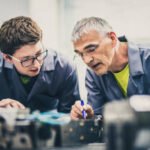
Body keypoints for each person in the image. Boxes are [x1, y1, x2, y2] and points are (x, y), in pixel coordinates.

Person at [70, 17, 150, 120]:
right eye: (80, 54)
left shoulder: (147, 59)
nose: (86, 60)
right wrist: (89, 116)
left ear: (112, 39)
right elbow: (100, 118)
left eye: (91, 49)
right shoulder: (93, 74)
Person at [0, 16, 80, 112]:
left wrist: (83, 115)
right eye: (26, 59)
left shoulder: (65, 67)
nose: (37, 64)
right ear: (8, 58)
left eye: (39, 53)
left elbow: (76, 118)